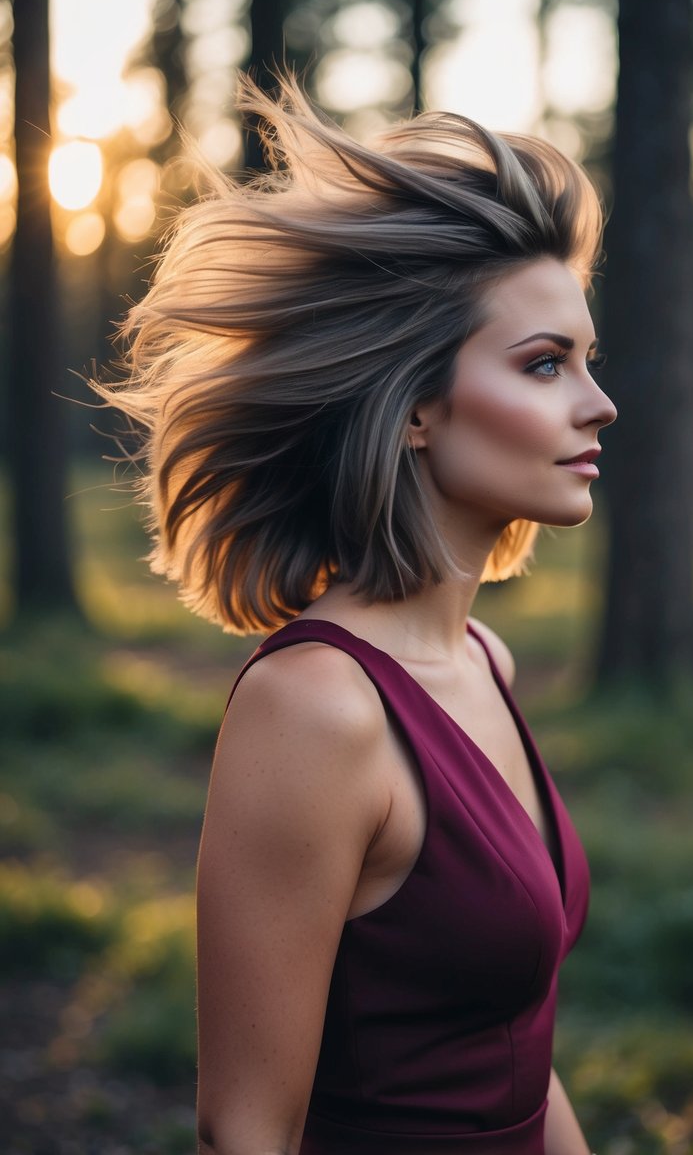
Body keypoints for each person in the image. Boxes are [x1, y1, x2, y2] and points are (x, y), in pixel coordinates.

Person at [95, 75, 617, 1155]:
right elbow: (245, 1129)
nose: (596, 401)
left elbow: (510, 1047)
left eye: (587, 360)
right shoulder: (315, 709)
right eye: (543, 364)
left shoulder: (482, 660)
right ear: (419, 406)